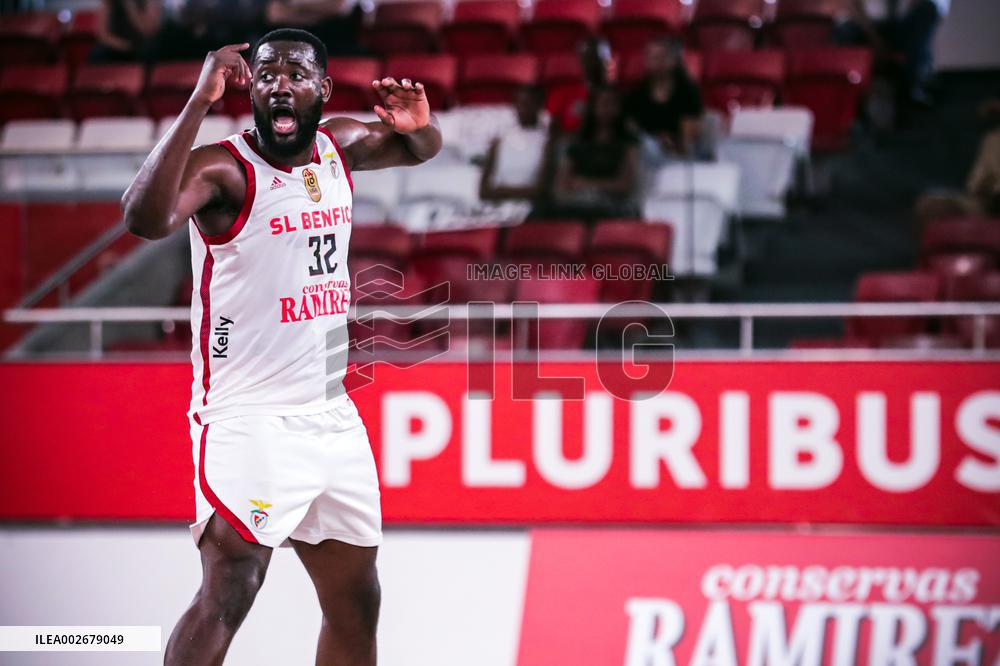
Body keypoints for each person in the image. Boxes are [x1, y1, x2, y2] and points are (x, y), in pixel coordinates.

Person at [121, 28, 442, 665]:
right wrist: (198, 101)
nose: (279, 84)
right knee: (231, 589)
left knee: (357, 600)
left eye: (295, 73)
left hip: (330, 413)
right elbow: (142, 217)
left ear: (321, 89)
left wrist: (422, 126)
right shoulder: (223, 169)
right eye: (266, 74)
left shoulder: (338, 147)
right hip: (247, 419)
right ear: (252, 90)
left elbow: (418, 149)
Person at [550, 85, 640, 221]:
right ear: (593, 107)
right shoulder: (576, 144)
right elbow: (562, 185)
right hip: (577, 205)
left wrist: (584, 183)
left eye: (612, 103)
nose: (607, 108)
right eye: (603, 103)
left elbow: (624, 185)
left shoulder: (628, 146)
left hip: (611, 207)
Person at [623, 38, 703, 163]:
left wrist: (674, 143)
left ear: (674, 61)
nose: (658, 62)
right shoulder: (637, 93)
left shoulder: (688, 93)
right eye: (653, 57)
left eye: (662, 57)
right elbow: (630, 127)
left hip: (678, 154)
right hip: (645, 151)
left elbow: (690, 137)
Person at [480, 84, 551, 206]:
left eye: (528, 104)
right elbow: (483, 191)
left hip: (532, 209)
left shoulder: (548, 141)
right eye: (519, 104)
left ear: (540, 106)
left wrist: (500, 191)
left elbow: (541, 190)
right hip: (498, 207)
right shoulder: (499, 140)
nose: (522, 109)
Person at [546, 36, 615, 134]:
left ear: (609, 60)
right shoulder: (562, 93)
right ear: (581, 60)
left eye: (599, 58)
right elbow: (553, 131)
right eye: (589, 58)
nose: (593, 63)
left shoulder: (619, 95)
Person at [88, 0, 161, 63]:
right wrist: (123, 46)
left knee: (149, 50)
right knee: (98, 54)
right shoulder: (109, 2)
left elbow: (147, 30)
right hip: (116, 45)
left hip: (139, 45)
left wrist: (130, 7)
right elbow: (103, 34)